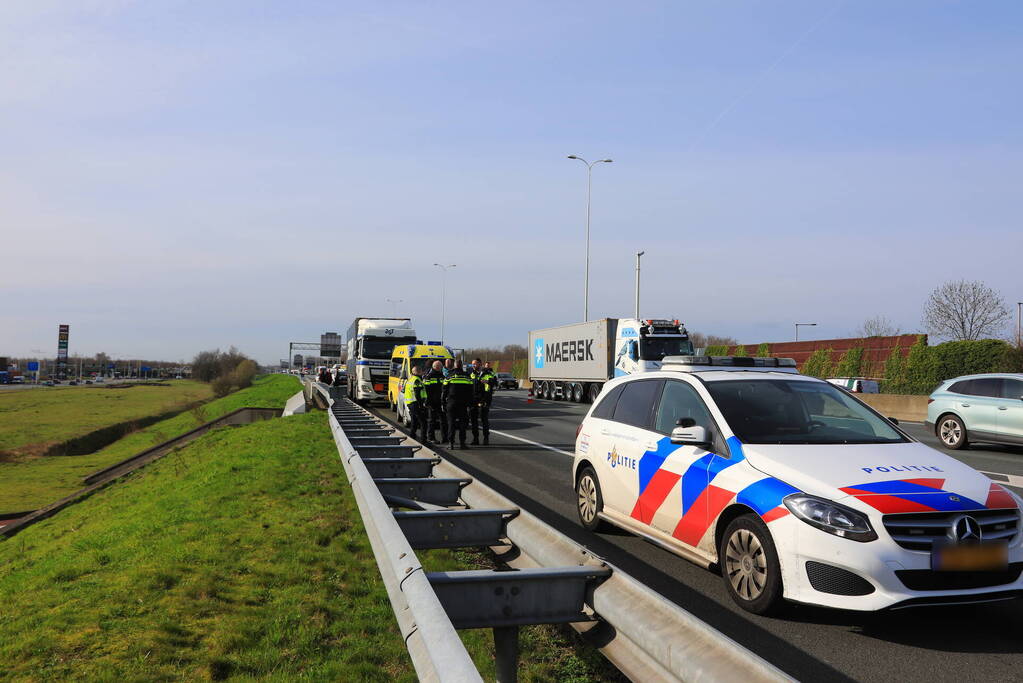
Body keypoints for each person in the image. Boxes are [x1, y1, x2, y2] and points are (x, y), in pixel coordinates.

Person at [442, 359, 473, 449]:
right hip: (463, 404)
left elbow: (444, 390)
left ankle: (451, 443)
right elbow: (471, 391)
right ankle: (462, 444)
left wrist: (443, 403)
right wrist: (470, 404)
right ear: (461, 366)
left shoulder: (449, 376)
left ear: (454, 365)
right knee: (462, 424)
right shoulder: (467, 376)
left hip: (451, 403)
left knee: (451, 423)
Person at [469, 359, 498, 445]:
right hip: (474, 400)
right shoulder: (471, 374)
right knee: (473, 420)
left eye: (474, 364)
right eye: (472, 364)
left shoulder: (489, 373)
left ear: (480, 364)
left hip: (484, 399)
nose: (473, 366)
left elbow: (495, 383)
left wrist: (488, 381)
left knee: (484, 419)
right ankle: (475, 439)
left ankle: (486, 438)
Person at [423, 360, 447, 444]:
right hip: (432, 402)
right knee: (432, 421)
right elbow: (426, 390)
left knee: (443, 420)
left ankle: (445, 438)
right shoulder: (429, 376)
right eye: (441, 367)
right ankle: (431, 437)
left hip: (440, 402)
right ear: (437, 367)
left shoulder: (442, 376)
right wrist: (428, 402)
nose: (442, 368)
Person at [403, 365, 428, 442]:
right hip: (416, 404)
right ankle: (423, 440)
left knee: (414, 421)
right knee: (423, 422)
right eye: (421, 371)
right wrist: (421, 406)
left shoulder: (410, 380)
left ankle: (412, 437)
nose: (422, 372)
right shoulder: (417, 380)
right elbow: (417, 394)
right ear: (419, 371)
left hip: (410, 403)